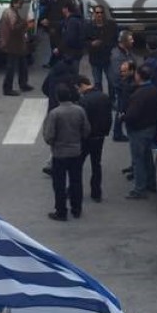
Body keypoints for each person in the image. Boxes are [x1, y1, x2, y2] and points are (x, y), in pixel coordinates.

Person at [44, 84, 91, 222]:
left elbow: (49, 135)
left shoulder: (55, 113)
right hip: (76, 152)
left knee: (59, 184)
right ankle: (77, 209)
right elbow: (86, 129)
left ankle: (61, 211)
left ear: (58, 98)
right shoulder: (79, 110)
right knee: (76, 181)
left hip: (59, 153)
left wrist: (52, 143)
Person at [124, 64, 157, 198]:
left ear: (138, 76)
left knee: (138, 159)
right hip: (149, 127)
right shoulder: (153, 90)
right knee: (147, 157)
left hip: (138, 130)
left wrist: (124, 117)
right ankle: (151, 183)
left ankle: (139, 189)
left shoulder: (139, 94)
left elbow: (132, 115)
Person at [76, 74, 111, 203]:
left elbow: (82, 121)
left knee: (78, 164)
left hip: (87, 137)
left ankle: (74, 190)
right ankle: (96, 192)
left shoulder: (84, 101)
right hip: (100, 136)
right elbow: (108, 117)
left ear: (81, 86)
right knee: (96, 164)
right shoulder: (104, 97)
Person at [0, 0, 32, 97]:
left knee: (23, 64)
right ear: (14, 3)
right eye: (20, 3)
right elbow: (14, 28)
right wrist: (26, 23)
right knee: (11, 67)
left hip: (16, 43)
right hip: (12, 43)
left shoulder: (12, 12)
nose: (21, 5)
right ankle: (7, 88)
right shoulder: (10, 13)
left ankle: (23, 84)